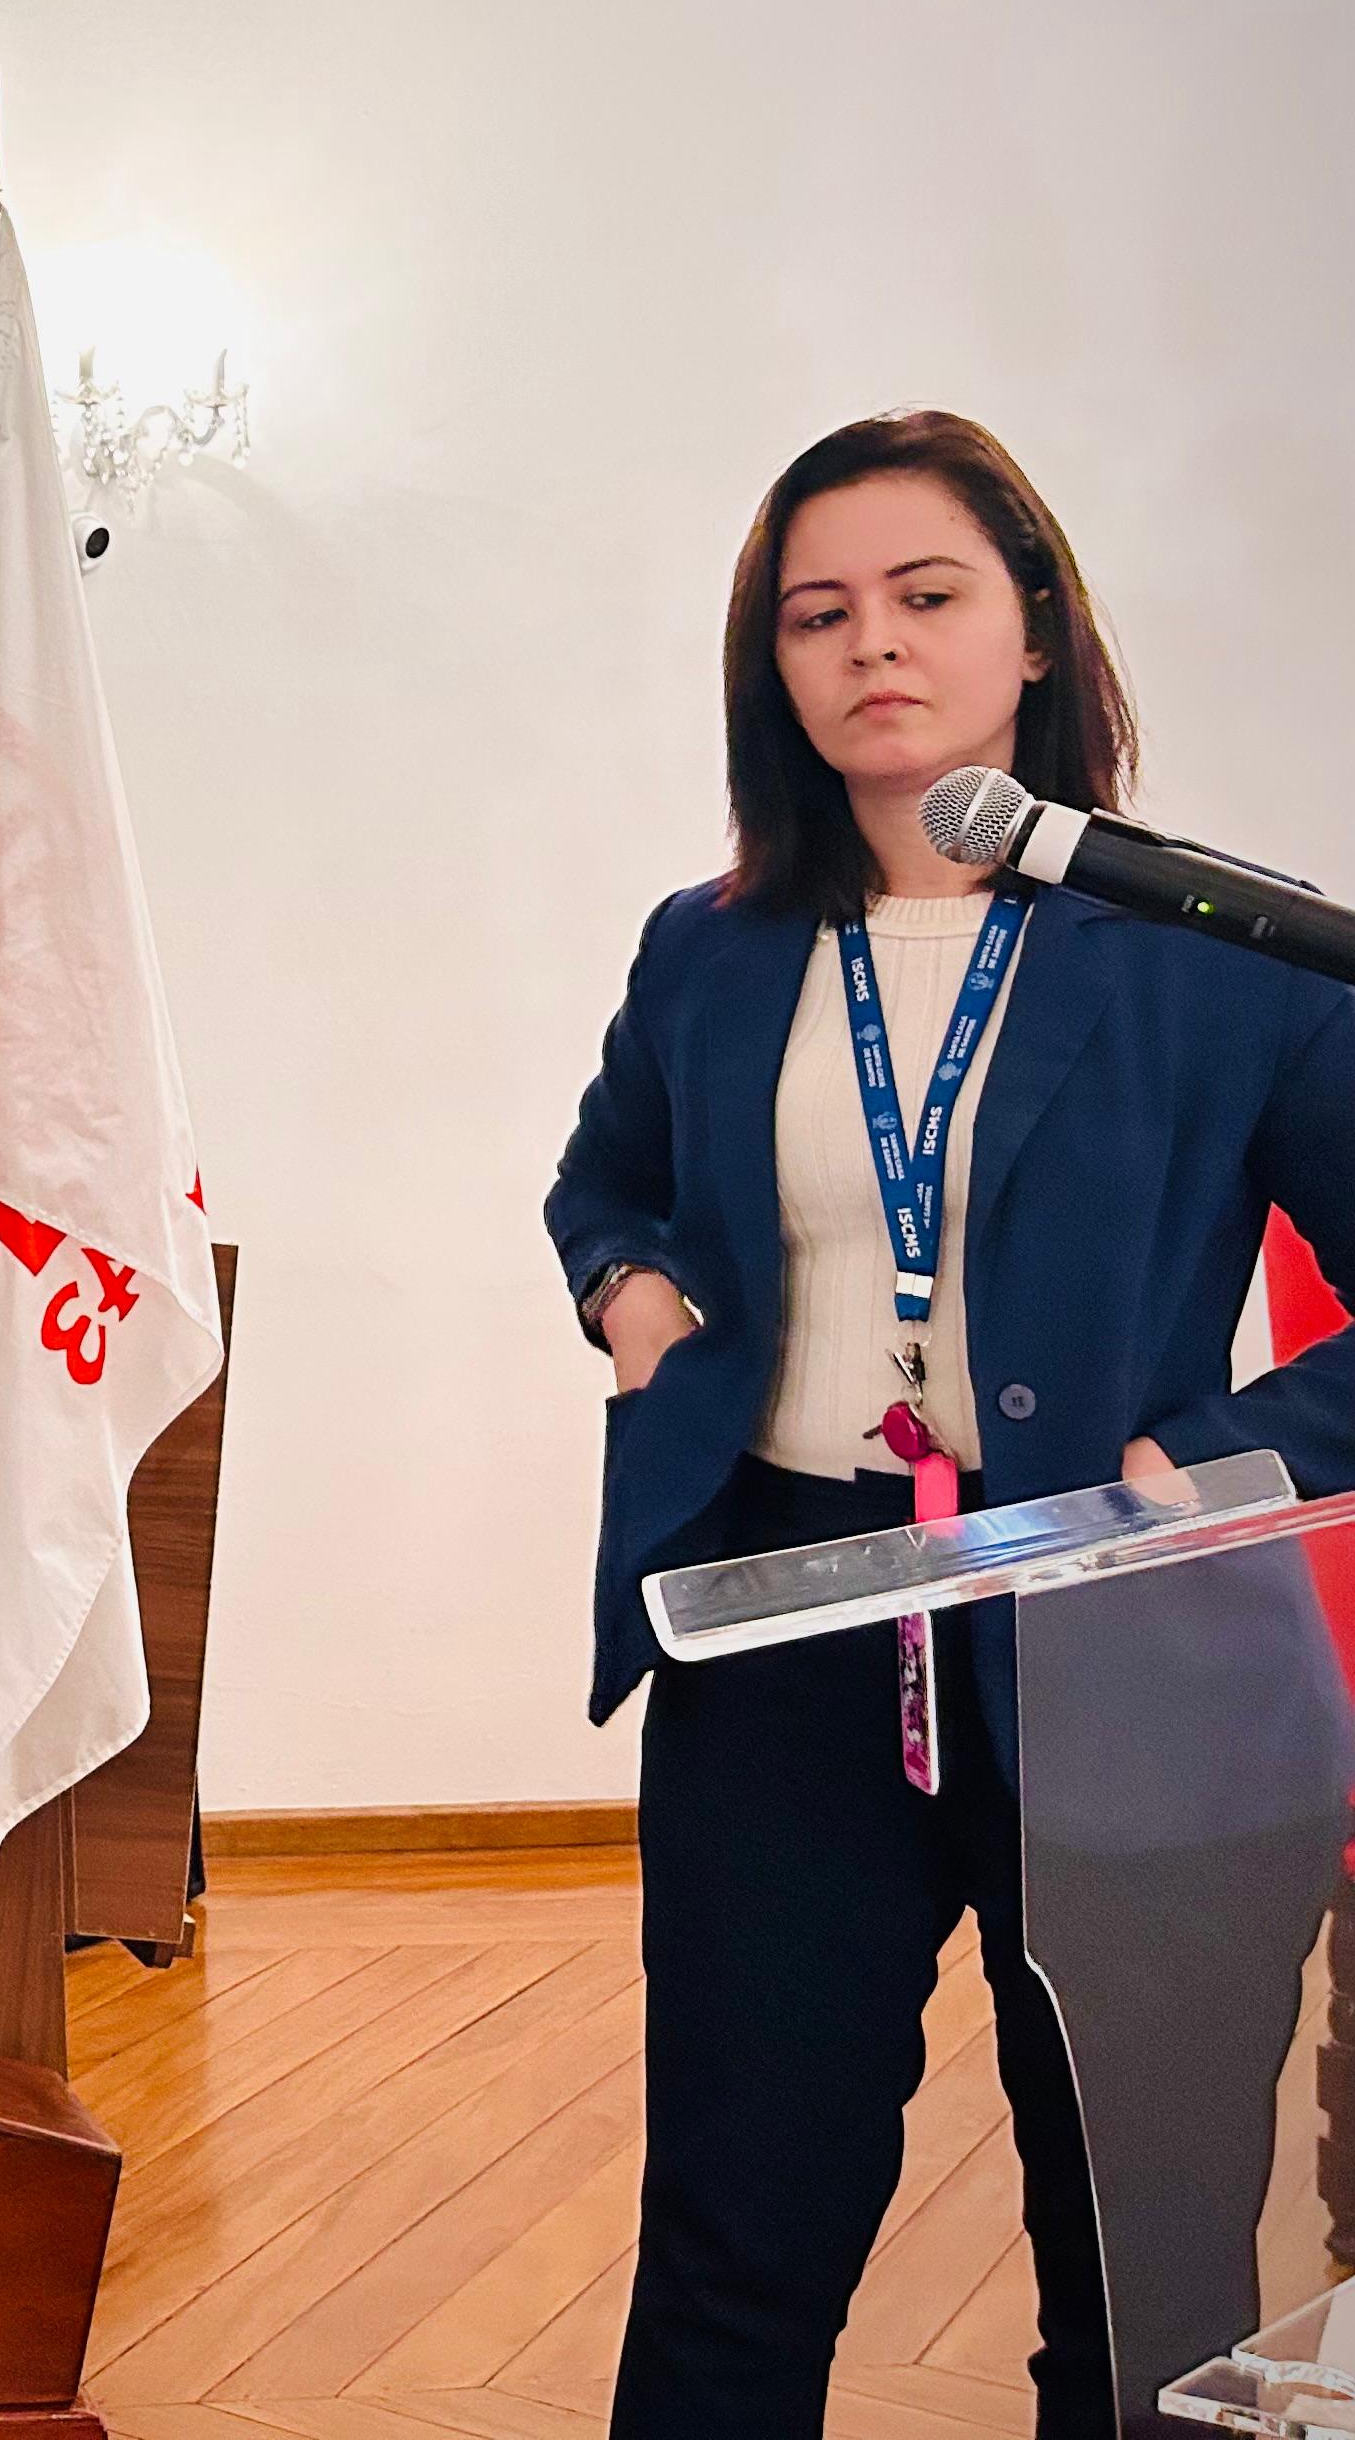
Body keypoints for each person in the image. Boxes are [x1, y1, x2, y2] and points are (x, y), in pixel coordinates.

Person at [548, 408, 1355, 2438]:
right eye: (816, 614)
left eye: (925, 596)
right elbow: (608, 1178)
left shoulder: (1218, 952)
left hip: (1133, 1635)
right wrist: (628, 1289)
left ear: (1037, 630)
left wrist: (1236, 1454)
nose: (872, 646)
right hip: (788, 1631)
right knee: (736, 2238)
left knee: (1148, 2272)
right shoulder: (712, 945)